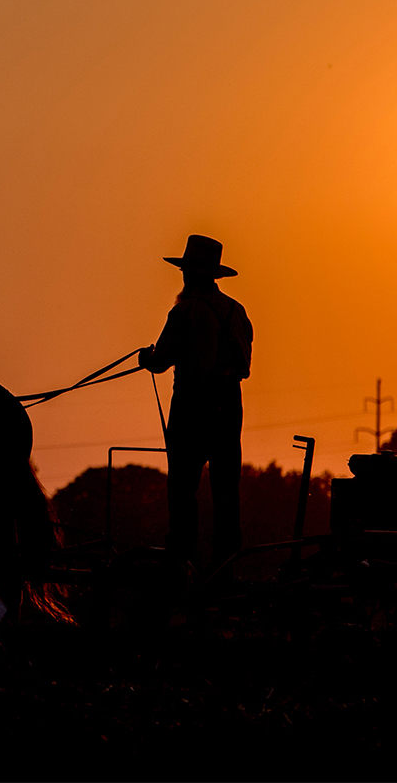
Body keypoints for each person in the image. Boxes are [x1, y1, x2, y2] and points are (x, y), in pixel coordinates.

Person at [139, 235, 253, 567]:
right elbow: (244, 364)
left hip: (193, 403)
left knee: (183, 486)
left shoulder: (186, 310)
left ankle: (181, 562)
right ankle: (226, 568)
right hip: (230, 402)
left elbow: (161, 361)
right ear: (214, 275)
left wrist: (146, 359)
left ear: (189, 273)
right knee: (226, 489)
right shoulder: (237, 311)